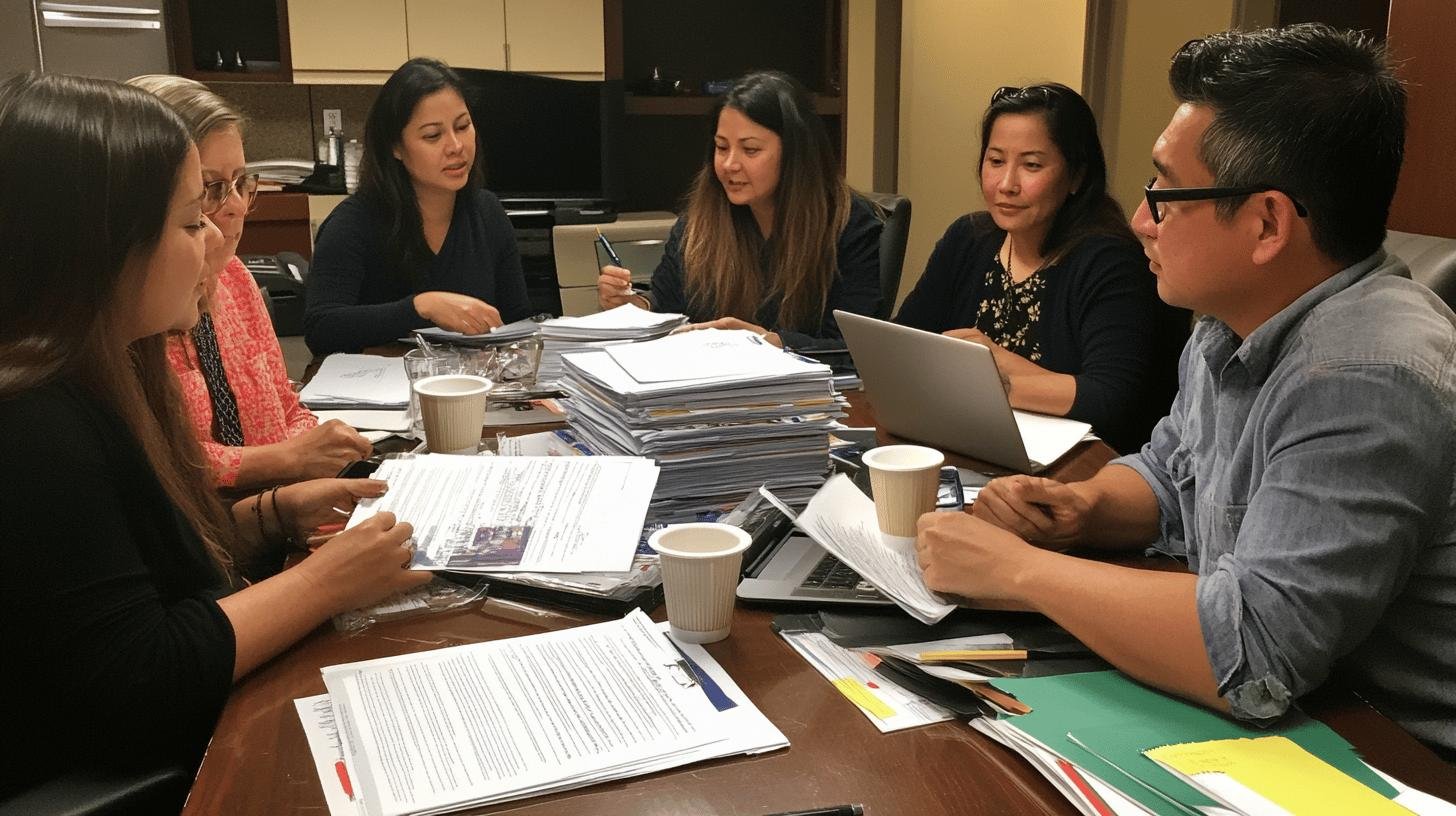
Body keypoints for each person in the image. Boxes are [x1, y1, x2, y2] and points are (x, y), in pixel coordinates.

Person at [915, 25, 1456, 758]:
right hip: (1307, 708)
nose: (1142, 219)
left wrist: (1016, 570)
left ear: (1266, 222)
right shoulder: (1232, 316)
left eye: (1164, 192)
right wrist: (1084, 509)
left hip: (1394, 752)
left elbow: (1257, 651)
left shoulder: (1365, 371)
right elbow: (1175, 473)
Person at [0, 73, 431, 797]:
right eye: (191, 219)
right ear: (106, 244)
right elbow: (141, 679)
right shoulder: (33, 422)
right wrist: (328, 580)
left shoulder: (107, 368)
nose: (213, 241)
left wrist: (269, 518)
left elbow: (142, 569)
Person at [895, 83, 1186, 453]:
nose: (1006, 184)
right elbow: (903, 343)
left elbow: (1110, 398)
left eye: (1031, 165)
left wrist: (989, 375)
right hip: (970, 441)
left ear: (1077, 176)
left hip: (1082, 464)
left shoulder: (1110, 261)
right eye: (996, 161)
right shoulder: (968, 239)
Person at [128, 75, 372, 489]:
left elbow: (286, 408)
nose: (237, 206)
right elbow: (153, 466)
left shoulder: (235, 280)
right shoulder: (129, 316)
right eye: (211, 189)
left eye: (241, 183)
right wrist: (286, 460)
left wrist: (326, 453)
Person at [596, 71, 882, 351]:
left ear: (795, 153)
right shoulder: (701, 220)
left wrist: (770, 342)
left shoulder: (849, 225)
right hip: (709, 388)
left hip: (808, 395)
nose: (730, 164)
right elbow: (668, 303)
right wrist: (633, 305)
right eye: (721, 148)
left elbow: (858, 351)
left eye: (750, 150)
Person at [306, 57, 532, 354]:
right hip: (380, 389)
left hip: (471, 388)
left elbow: (518, 322)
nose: (456, 146)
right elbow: (321, 327)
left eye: (463, 126)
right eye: (432, 135)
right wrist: (421, 307)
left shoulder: (487, 212)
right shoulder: (354, 222)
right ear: (395, 147)